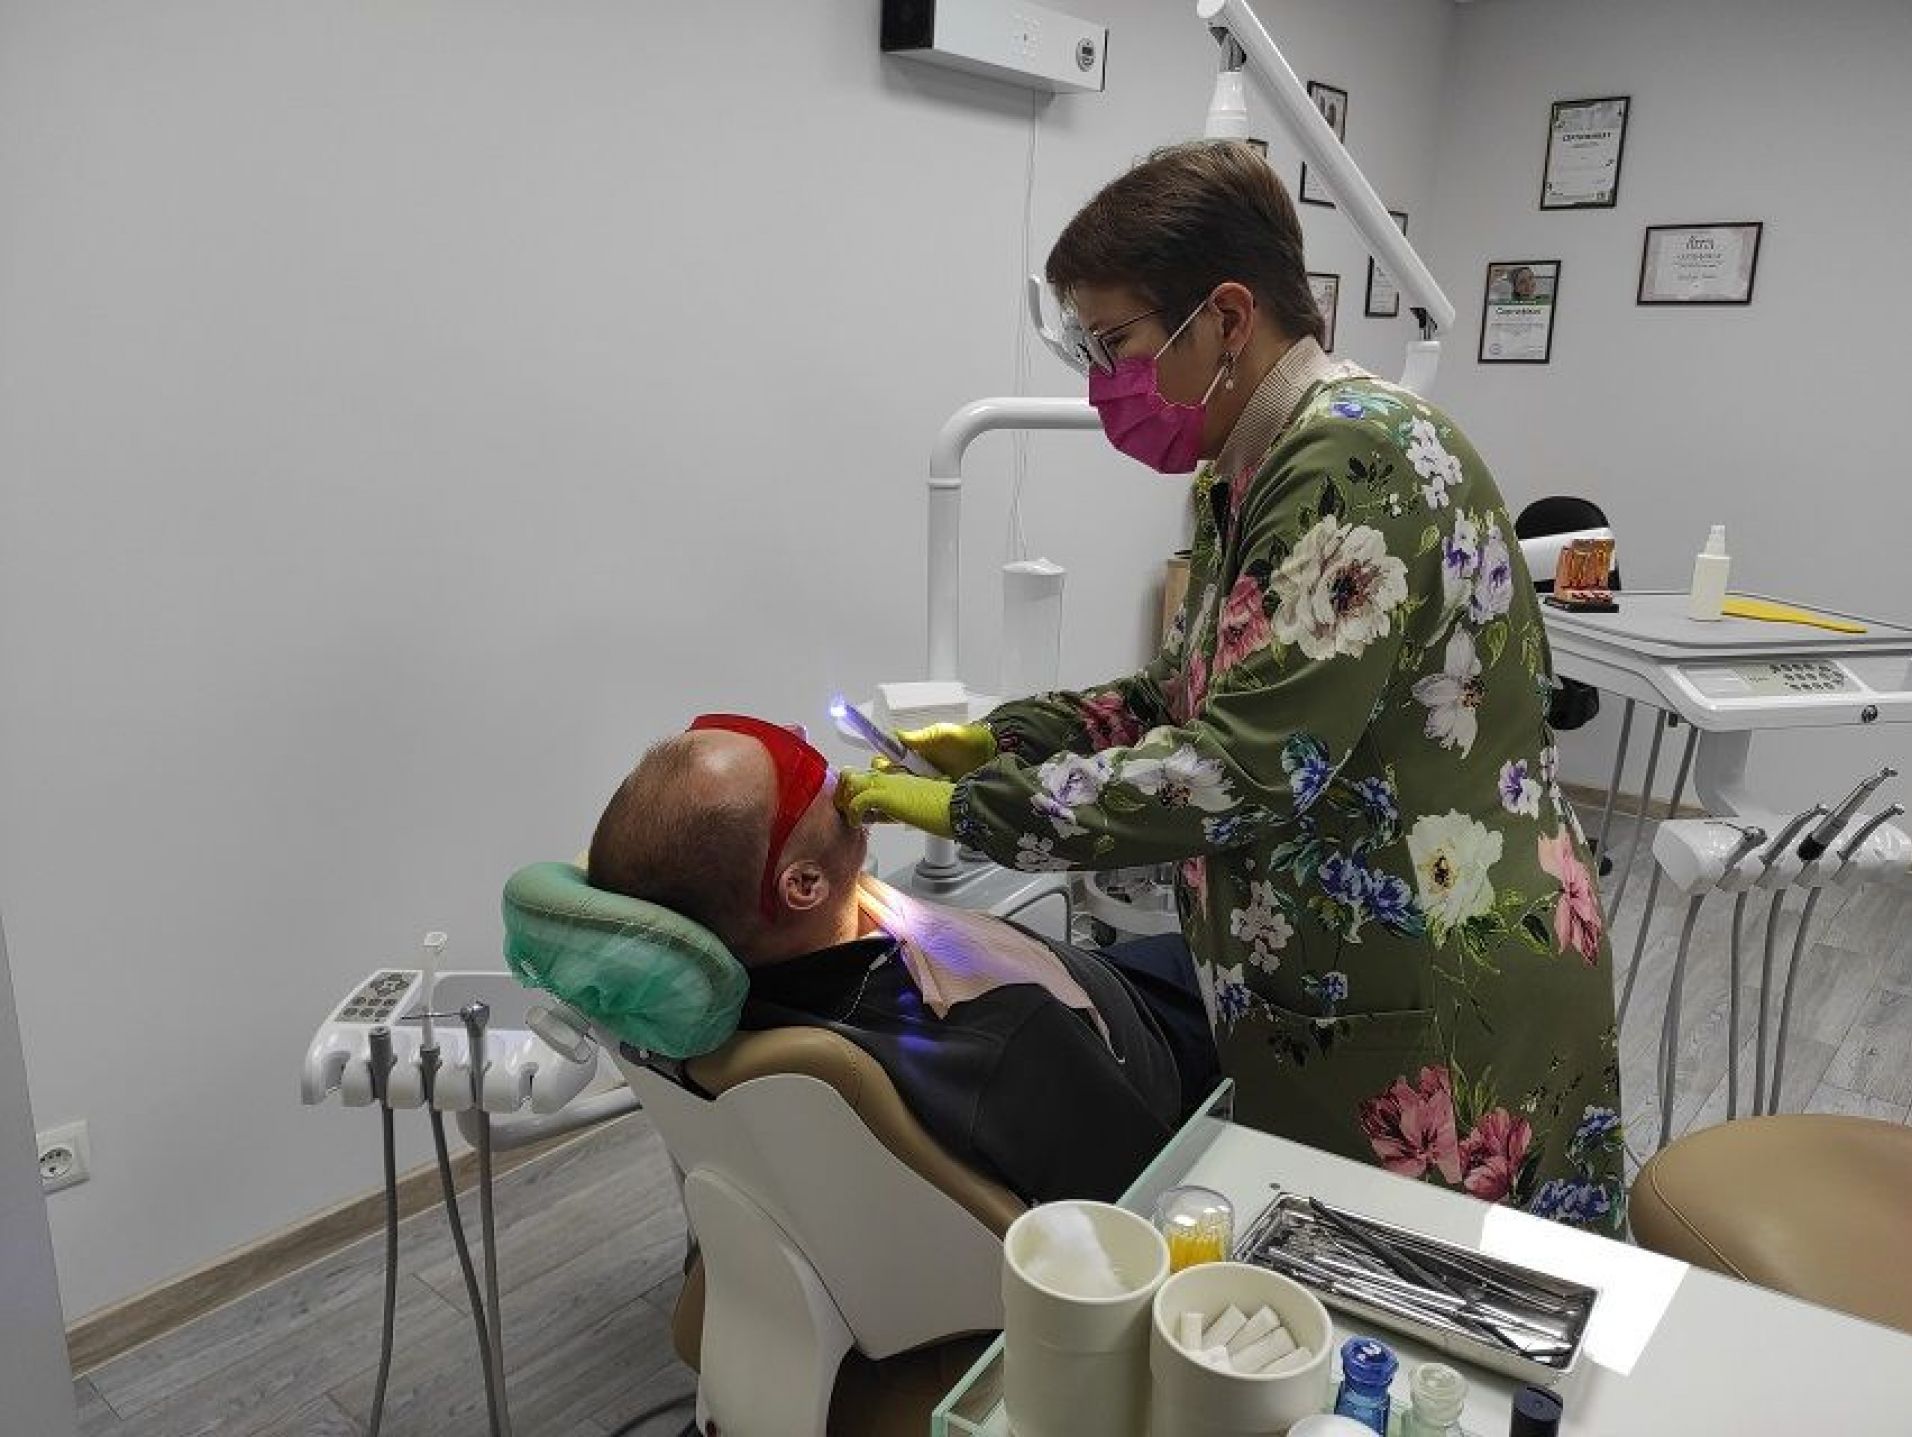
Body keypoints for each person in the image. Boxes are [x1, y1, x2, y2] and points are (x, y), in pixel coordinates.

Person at [837, 142, 1625, 1231]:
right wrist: (1008, 737)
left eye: (1115, 343)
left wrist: (978, 810)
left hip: (1439, 990)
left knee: (1443, 1301)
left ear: (1225, 317)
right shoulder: (1251, 466)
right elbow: (1184, 695)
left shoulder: (1353, 462)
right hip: (1346, 972)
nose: (1104, 382)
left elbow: (1241, 768)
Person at [586, 714, 1219, 1205]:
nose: (817, 754)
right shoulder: (1002, 1036)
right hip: (1148, 1044)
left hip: (1092, 994)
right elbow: (1136, 1198)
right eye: (799, 771)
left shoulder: (746, 966)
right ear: (802, 885)